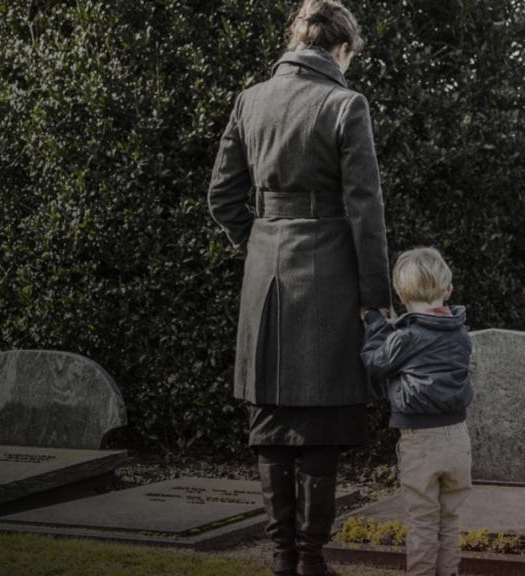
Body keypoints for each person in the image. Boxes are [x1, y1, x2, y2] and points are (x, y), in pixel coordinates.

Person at [207, 0, 391, 574]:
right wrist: (375, 298)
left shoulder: (250, 99)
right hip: (330, 274)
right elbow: (366, 212)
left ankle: (283, 557)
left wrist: (261, 240)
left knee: (271, 418)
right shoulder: (345, 104)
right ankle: (310, 558)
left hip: (265, 273)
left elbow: (222, 197)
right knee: (320, 424)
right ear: (341, 48)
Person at [360, 247, 474, 576]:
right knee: (449, 521)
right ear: (448, 289)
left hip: (420, 442)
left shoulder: (406, 337)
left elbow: (375, 363)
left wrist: (376, 325)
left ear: (400, 292)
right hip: (458, 439)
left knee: (423, 522)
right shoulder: (462, 334)